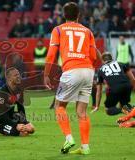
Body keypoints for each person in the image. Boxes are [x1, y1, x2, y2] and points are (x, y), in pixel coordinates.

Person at [44, 2, 98, 155]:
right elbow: (94, 56)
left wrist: (46, 74)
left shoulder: (58, 30)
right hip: (88, 71)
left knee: (59, 106)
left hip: (71, 71)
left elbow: (51, 55)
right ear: (78, 15)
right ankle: (85, 147)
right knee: (82, 111)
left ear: (63, 15)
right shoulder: (88, 31)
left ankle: (69, 138)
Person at [0, 67, 35, 136]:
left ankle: (17, 128)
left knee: (31, 129)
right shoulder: (2, 93)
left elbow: (20, 108)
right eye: (15, 75)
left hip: (10, 116)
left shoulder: (19, 90)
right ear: (9, 78)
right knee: (23, 134)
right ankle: (5, 129)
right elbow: (0, 114)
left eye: (19, 74)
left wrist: (24, 122)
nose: (18, 76)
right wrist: (15, 125)